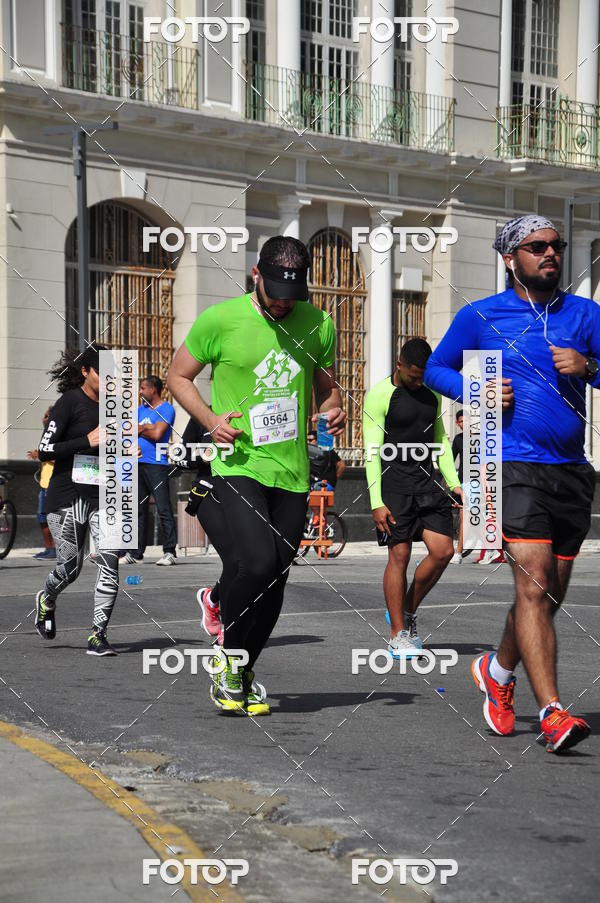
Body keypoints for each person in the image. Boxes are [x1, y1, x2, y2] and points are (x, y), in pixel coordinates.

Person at [425, 214, 600, 753]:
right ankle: (551, 711)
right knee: (532, 584)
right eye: (536, 247)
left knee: (546, 596)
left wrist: (588, 365)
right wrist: (476, 390)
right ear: (510, 258)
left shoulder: (585, 314)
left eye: (556, 245)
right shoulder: (481, 315)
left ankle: (497, 673)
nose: (550, 254)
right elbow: (435, 369)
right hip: (509, 463)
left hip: (571, 468)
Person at [167, 235, 346, 715]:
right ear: (255, 277)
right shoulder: (221, 320)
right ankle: (227, 642)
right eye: (275, 295)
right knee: (259, 565)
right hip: (237, 463)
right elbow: (177, 376)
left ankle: (241, 672)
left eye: (293, 296)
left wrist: (335, 410)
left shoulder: (319, 324)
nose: (285, 304)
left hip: (292, 469)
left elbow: (327, 390)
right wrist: (210, 422)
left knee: (277, 579)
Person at [363, 338, 462, 659]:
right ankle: (397, 634)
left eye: (423, 376)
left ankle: (406, 611)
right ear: (399, 366)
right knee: (400, 556)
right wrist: (376, 501)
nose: (419, 381)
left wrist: (454, 482)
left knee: (443, 551)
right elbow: (371, 453)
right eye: (414, 376)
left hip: (426, 484)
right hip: (393, 486)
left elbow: (441, 441)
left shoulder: (432, 394)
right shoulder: (379, 395)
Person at [35, 345, 120, 656]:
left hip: (105, 495)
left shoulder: (117, 406)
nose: (110, 379)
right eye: (102, 372)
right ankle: (47, 598)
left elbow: (117, 448)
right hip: (67, 497)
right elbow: (45, 449)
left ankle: (98, 635)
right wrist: (87, 440)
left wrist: (130, 452)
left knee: (110, 563)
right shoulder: (69, 402)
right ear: (86, 372)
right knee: (70, 568)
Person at [123, 376, 177, 566]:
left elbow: (157, 434)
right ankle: (136, 553)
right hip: (136, 463)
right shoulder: (139, 410)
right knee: (138, 509)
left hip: (157, 464)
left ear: (153, 389)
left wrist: (141, 428)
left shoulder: (166, 409)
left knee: (163, 508)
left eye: (143, 388)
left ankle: (169, 551)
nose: (140, 391)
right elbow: (126, 431)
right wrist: (145, 427)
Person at [27, 407, 56, 560]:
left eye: (47, 416)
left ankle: (55, 550)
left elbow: (61, 457)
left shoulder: (59, 436)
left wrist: (41, 455)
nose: (43, 419)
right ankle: (48, 548)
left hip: (53, 485)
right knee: (42, 518)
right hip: (44, 484)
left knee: (52, 519)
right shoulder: (46, 436)